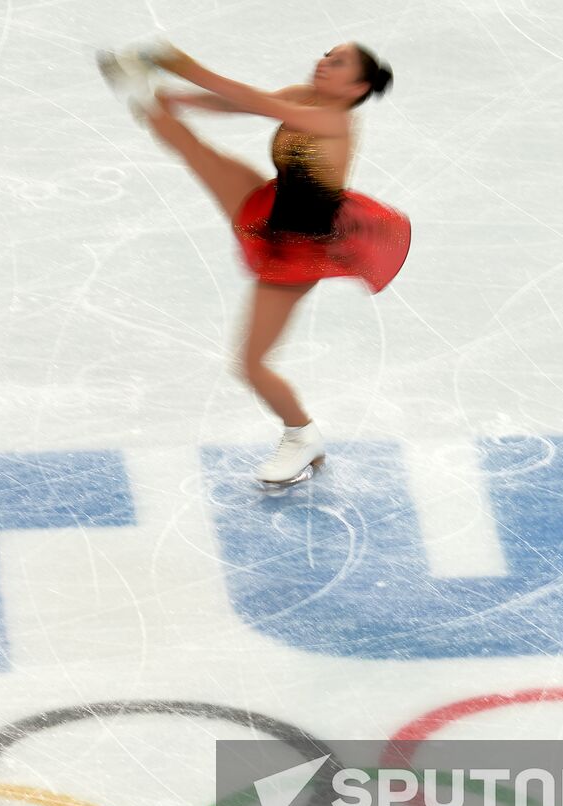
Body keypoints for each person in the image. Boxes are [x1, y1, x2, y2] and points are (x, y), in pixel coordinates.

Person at [98, 41, 411, 486]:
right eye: (326, 53)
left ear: (356, 86)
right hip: (271, 207)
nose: (324, 62)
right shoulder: (307, 97)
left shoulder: (331, 119)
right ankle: (141, 96)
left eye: (337, 62)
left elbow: (252, 100)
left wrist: (179, 63)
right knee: (181, 139)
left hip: (300, 250)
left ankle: (302, 435)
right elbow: (233, 103)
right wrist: (179, 99)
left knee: (251, 365)